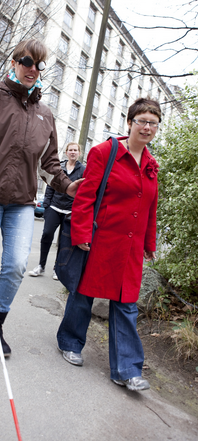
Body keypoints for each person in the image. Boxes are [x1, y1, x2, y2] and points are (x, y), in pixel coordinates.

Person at [0, 39, 82, 357]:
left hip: (23, 202)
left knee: (14, 266)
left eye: (40, 65)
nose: (33, 69)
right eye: (28, 61)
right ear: (14, 62)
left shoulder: (45, 114)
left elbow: (50, 162)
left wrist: (68, 186)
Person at [57, 98, 161, 392]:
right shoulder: (105, 152)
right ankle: (70, 342)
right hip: (101, 239)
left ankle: (126, 369)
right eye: (141, 120)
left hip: (130, 248)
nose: (147, 127)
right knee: (83, 295)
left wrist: (149, 243)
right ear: (129, 123)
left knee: (126, 304)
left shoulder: (152, 165)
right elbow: (86, 195)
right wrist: (80, 234)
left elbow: (151, 207)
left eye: (153, 123)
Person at [29, 142, 85, 280]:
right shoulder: (59, 167)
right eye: (70, 150)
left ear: (79, 153)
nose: (73, 152)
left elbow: (83, 191)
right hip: (54, 206)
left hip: (70, 211)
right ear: (66, 152)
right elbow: (50, 186)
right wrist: (47, 206)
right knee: (47, 234)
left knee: (63, 242)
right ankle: (41, 266)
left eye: (75, 150)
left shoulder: (83, 170)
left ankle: (56, 269)